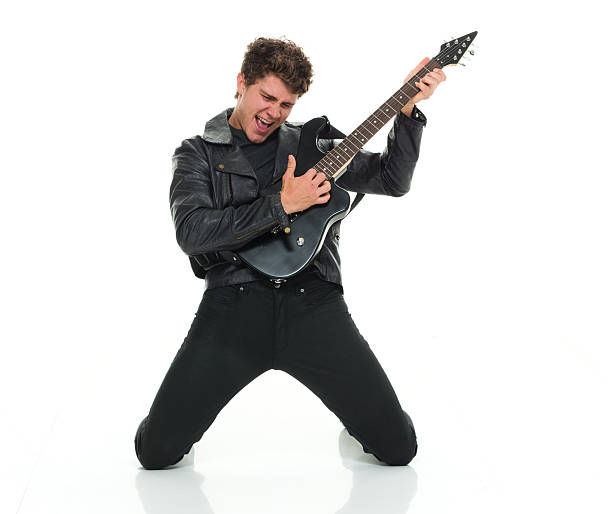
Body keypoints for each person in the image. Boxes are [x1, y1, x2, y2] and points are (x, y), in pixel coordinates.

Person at [134, 37, 445, 469]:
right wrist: (283, 204)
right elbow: (192, 231)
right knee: (156, 453)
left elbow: (392, 179)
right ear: (241, 83)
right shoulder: (197, 154)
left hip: (313, 304)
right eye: (266, 96)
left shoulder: (314, 146)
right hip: (232, 306)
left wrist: (408, 110)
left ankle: (359, 424)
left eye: (286, 104)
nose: (274, 112)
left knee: (398, 449)